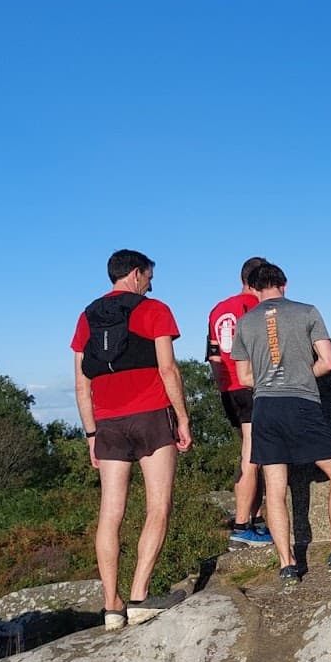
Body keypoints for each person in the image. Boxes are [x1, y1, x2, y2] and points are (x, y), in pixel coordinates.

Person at [230, 262, 331, 579]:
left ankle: (287, 565)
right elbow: (328, 361)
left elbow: (243, 376)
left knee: (275, 488)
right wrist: (299, 376)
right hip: (301, 403)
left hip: (265, 408)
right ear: (283, 283)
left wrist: (272, 380)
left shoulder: (245, 322)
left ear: (255, 289)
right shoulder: (307, 311)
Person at [70, 249, 192, 629]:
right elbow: (168, 369)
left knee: (111, 512)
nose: (151, 284)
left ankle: (111, 606)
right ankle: (139, 595)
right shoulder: (154, 310)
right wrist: (183, 419)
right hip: (151, 415)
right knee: (158, 504)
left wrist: (91, 433)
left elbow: (80, 384)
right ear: (136, 274)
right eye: (150, 276)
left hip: (106, 421)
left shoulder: (87, 315)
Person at [206, 256, 273, 547]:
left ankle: (255, 520)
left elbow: (213, 356)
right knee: (252, 454)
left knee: (251, 450)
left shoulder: (219, 309)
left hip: (229, 389)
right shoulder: (259, 309)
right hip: (253, 385)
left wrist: (224, 386)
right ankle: (242, 525)